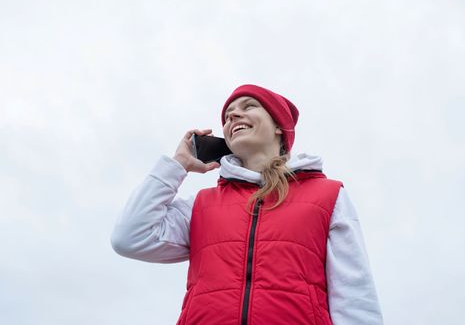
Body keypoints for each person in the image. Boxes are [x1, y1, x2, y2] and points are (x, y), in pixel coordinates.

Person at [111, 84, 383, 325]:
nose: (232, 115)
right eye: (228, 114)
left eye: (248, 106)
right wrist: (177, 165)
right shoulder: (201, 205)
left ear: (279, 126)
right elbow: (130, 237)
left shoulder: (328, 195)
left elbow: (355, 296)